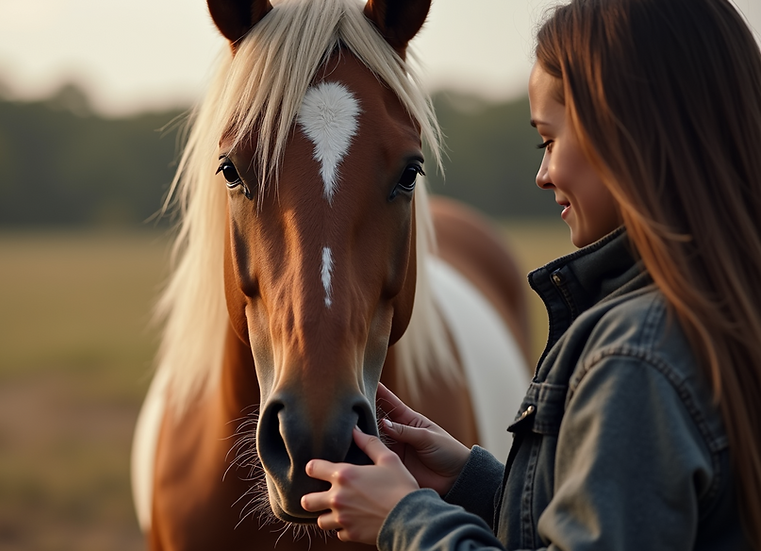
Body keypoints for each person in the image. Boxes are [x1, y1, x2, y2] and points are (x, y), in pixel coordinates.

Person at [300, 0, 761, 548]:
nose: (542, 175)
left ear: (630, 135)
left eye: (548, 140)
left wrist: (406, 519)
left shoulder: (635, 359)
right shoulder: (711, 315)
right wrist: (470, 482)